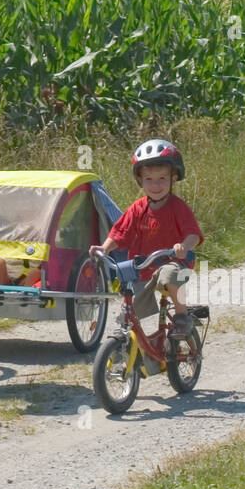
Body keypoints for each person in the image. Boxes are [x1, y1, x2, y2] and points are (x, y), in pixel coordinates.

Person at [89, 138, 202, 339]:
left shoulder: (177, 207)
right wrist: (104, 248)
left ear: (173, 179)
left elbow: (193, 233)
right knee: (131, 308)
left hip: (175, 262)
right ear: (140, 180)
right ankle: (132, 352)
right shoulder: (138, 208)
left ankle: (182, 315)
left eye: (162, 179)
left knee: (168, 276)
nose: (155, 185)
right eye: (149, 179)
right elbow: (120, 232)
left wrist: (183, 246)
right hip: (144, 266)